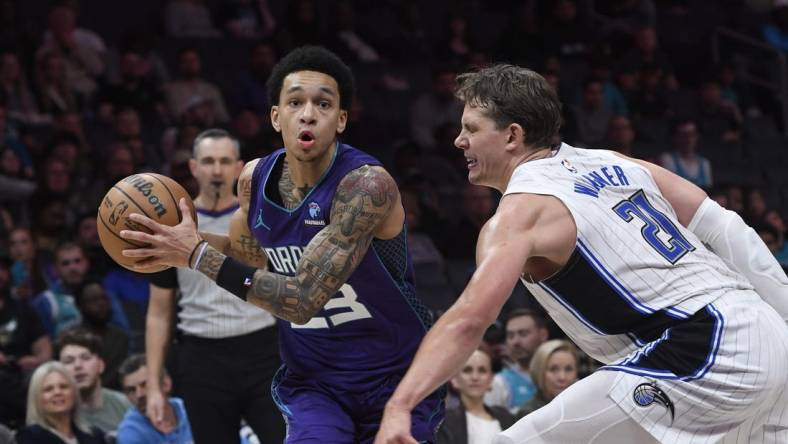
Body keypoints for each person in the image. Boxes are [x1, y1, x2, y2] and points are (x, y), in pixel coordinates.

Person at [375, 64, 788, 444]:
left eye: (471, 128)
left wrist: (400, 405)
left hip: (705, 348)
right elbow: (725, 226)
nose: (458, 140)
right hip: (767, 331)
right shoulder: (614, 161)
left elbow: (470, 320)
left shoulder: (517, 215)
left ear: (512, 135)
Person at [119, 45, 444, 443]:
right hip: (315, 382)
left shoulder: (366, 186)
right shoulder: (254, 179)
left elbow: (303, 300)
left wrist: (195, 254)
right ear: (276, 116)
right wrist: (181, 240)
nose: (308, 113)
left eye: (323, 104)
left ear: (341, 120)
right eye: (295, 102)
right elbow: (251, 253)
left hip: (396, 374)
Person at [146, 128, 284, 443]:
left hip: (264, 351)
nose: (217, 170)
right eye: (208, 161)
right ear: (193, 167)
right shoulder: (172, 229)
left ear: (239, 167)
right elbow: (158, 313)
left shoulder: (265, 220)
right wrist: (154, 386)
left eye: (225, 161)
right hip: (201, 359)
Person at [56, 328, 131, 437]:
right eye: (69, 361)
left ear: (101, 365)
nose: (78, 365)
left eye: (85, 358)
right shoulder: (56, 413)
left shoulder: (125, 405)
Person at [437, 348, 515, 444]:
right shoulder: (444, 421)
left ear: (491, 379)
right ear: (454, 379)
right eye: (467, 370)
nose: (475, 377)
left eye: (482, 370)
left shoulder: (507, 417)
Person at [15, 361, 105, 444]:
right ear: (36, 398)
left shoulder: (95, 436)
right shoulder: (27, 437)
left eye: (63, 386)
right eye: (48, 389)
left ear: (74, 392)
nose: (57, 392)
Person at [116, 354, 193, 444]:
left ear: (166, 384)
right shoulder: (130, 432)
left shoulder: (190, 410)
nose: (139, 395)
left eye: (145, 385)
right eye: (131, 390)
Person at [484, 309, 548, 412]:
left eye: (523, 334)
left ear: (543, 335)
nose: (515, 342)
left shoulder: (562, 375)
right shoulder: (499, 383)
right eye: (510, 336)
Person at [515, 339, 579, 417]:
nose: (562, 377)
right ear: (539, 372)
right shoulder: (529, 414)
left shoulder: (585, 407)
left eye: (568, 369)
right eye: (553, 369)